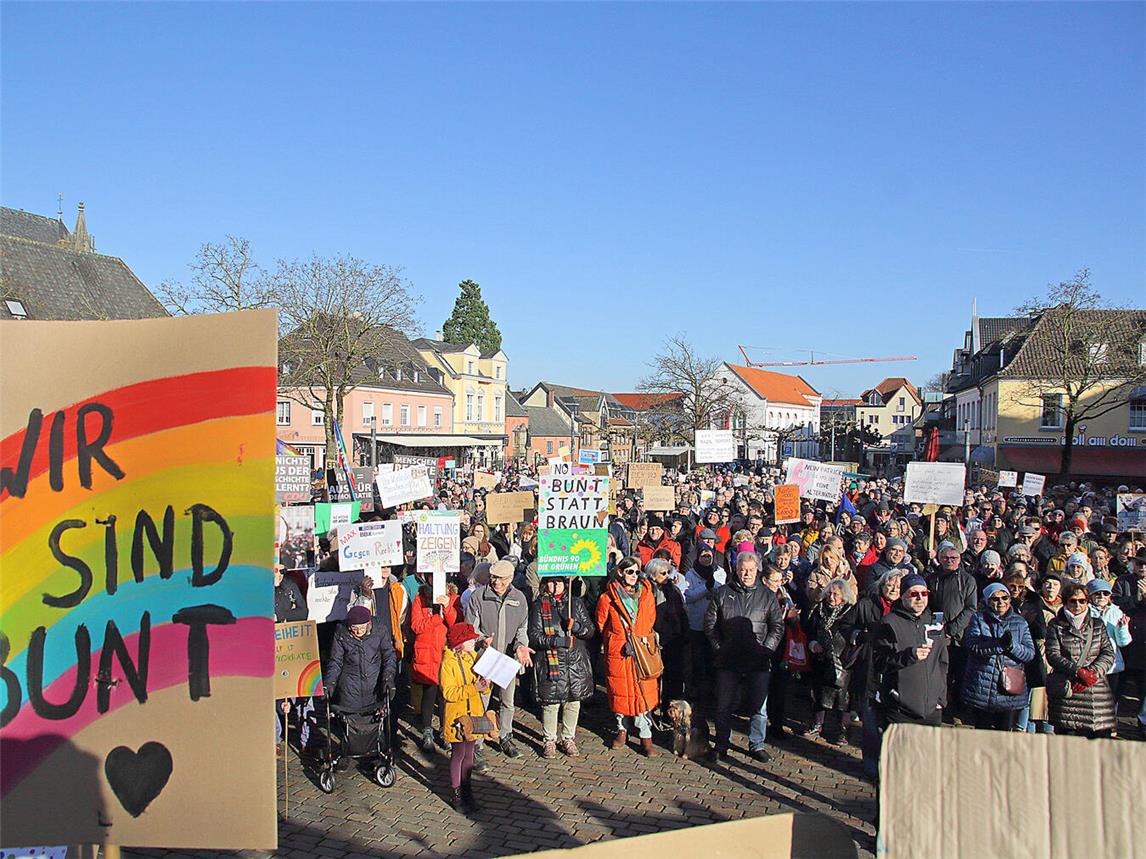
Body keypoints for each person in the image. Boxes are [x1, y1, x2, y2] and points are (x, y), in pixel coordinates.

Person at [704, 551, 784, 762]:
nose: (746, 574)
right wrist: (720, 648)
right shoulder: (722, 593)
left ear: (757, 570)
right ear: (737, 570)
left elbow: (777, 627)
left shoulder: (767, 595)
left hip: (758, 659)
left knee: (759, 707)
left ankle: (757, 744)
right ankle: (722, 743)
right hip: (728, 660)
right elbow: (710, 626)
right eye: (742, 570)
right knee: (724, 705)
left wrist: (766, 650)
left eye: (750, 570)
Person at [464, 559, 533, 761]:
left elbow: (522, 629)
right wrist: (482, 640)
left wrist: (521, 646)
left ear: (510, 579)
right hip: (486, 657)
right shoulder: (478, 596)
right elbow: (471, 628)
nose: (496, 582)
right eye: (494, 577)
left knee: (507, 701)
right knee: (481, 701)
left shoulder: (519, 599)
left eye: (501, 579)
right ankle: (477, 742)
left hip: (508, 658)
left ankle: (505, 736)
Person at [596, 556, 660, 756]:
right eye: (629, 571)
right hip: (619, 652)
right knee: (619, 692)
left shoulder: (646, 595)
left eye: (636, 572)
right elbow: (601, 624)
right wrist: (617, 641)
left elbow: (650, 620)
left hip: (641, 651)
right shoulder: (607, 598)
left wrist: (641, 638)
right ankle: (621, 729)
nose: (634, 575)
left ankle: (645, 735)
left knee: (642, 692)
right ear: (620, 572)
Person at [527, 577, 596, 758]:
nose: (556, 585)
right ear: (545, 584)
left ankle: (568, 738)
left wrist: (577, 627)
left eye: (559, 582)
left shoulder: (576, 603)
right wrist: (557, 641)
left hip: (574, 661)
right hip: (551, 661)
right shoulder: (539, 606)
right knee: (551, 703)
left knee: (573, 701)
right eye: (552, 582)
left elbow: (590, 630)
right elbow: (534, 636)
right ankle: (549, 739)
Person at [873, 573, 949, 732]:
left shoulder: (935, 623)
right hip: (900, 710)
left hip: (931, 710)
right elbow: (879, 663)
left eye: (924, 593)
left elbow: (942, 663)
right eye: (914, 594)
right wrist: (909, 656)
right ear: (903, 596)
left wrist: (940, 699)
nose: (920, 598)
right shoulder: (889, 623)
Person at [959, 583, 1035, 731]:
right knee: (983, 731)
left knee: (1004, 733)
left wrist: (1012, 646)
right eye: (995, 599)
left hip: (1008, 689)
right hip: (982, 686)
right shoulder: (978, 619)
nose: (1000, 602)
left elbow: (1029, 653)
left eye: (1004, 598)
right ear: (987, 601)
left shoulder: (1020, 622)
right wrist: (998, 645)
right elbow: (973, 646)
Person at [1045, 582, 1117, 738]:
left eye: (1082, 601)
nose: (1077, 605)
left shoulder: (1097, 624)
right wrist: (1077, 671)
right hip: (1068, 689)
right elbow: (1052, 654)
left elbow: (1108, 653)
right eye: (1073, 601)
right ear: (1065, 601)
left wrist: (1092, 673)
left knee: (1099, 741)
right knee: (1068, 742)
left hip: (1096, 691)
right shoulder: (1055, 625)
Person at [439, 622, 491, 814]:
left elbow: (481, 685)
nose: (473, 642)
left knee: (469, 753)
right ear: (460, 643)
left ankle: (468, 790)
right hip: (457, 717)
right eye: (470, 640)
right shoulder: (448, 663)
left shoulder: (471, 657)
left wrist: (485, 685)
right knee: (459, 753)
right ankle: (457, 793)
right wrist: (473, 688)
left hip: (472, 715)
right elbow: (449, 693)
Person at [803, 578, 858, 745]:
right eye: (829, 593)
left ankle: (843, 730)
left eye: (835, 594)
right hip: (821, 657)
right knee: (819, 692)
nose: (831, 597)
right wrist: (813, 644)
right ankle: (817, 723)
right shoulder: (819, 609)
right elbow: (810, 630)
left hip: (842, 658)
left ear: (844, 596)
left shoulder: (850, 611)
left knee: (843, 696)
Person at [409, 582, 460, 751]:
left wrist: (447, 607)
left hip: (445, 652)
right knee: (429, 692)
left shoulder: (453, 597)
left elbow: (455, 624)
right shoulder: (420, 598)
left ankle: (446, 731)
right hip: (427, 653)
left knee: (445, 695)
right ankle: (427, 730)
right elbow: (416, 626)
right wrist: (437, 618)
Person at [324, 605, 399, 714]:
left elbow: (389, 655)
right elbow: (335, 661)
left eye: (362, 628)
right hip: (349, 687)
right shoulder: (341, 633)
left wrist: (388, 678)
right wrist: (330, 682)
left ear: (368, 624)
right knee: (351, 719)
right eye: (355, 629)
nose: (359, 632)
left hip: (374, 685)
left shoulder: (379, 630)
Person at [681, 538, 726, 697]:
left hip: (714, 622)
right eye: (703, 556)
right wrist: (706, 587)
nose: (706, 559)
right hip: (697, 622)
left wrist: (713, 587)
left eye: (709, 556)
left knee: (713, 657)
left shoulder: (720, 572)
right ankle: (698, 689)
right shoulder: (690, 574)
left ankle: (714, 689)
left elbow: (722, 592)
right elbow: (688, 596)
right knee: (698, 658)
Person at [1111, 548, 1146, 739]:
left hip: (1144, 645)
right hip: (1123, 643)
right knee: (1117, 687)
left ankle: (1142, 722)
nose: (1143, 567)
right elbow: (1114, 603)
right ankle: (1110, 722)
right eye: (1140, 563)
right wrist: (1136, 598)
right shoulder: (1123, 581)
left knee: (1143, 690)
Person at [646, 557, 689, 711]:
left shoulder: (673, 590)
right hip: (654, 638)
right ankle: (651, 708)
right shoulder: (646, 591)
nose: (667, 576)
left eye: (668, 572)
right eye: (663, 573)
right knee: (653, 677)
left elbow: (682, 612)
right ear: (652, 575)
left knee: (674, 677)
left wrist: (684, 632)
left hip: (674, 638)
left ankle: (670, 710)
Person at [1087, 578, 1132, 709]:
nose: (1101, 596)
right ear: (1090, 596)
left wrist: (1122, 628)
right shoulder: (1086, 611)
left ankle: (1111, 720)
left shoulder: (1116, 612)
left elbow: (1123, 642)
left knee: (1112, 698)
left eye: (1105, 593)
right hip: (1091, 662)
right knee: (1092, 698)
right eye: (1097, 593)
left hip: (1112, 664)